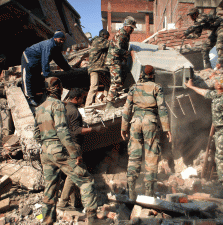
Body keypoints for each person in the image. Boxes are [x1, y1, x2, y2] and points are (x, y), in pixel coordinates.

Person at [34, 78, 100, 225]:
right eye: (61, 86)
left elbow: (36, 135)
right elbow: (63, 132)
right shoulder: (58, 105)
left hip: (45, 152)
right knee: (86, 180)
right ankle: (93, 221)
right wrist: (74, 153)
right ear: (57, 87)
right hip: (59, 151)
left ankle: (47, 221)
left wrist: (47, 145)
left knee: (50, 189)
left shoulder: (39, 108)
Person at [185, 76, 223, 201]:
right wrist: (191, 87)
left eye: (216, 82)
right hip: (220, 132)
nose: (214, 82)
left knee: (221, 160)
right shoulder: (217, 95)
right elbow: (204, 92)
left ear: (220, 86)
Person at [121, 65, 172, 201]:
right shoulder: (157, 88)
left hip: (135, 122)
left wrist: (124, 127)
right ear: (153, 75)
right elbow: (162, 108)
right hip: (151, 122)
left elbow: (127, 109)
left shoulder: (133, 88)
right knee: (151, 155)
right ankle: (149, 194)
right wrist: (167, 128)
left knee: (134, 156)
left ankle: (131, 191)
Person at [58, 88, 104, 210]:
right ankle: (64, 203)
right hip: (74, 146)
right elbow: (76, 130)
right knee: (78, 174)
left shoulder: (66, 108)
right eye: (82, 98)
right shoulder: (74, 112)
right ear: (76, 98)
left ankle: (75, 202)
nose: (83, 100)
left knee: (71, 173)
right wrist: (94, 129)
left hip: (66, 144)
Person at [22, 30, 72, 107]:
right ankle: (30, 98)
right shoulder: (48, 45)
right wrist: (47, 76)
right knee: (28, 77)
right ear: (55, 38)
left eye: (63, 40)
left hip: (37, 60)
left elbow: (60, 59)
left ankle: (36, 97)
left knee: (36, 77)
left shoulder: (56, 47)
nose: (62, 41)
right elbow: (45, 60)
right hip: (28, 57)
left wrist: (68, 69)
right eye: (60, 39)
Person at [105, 16, 137, 111]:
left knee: (121, 80)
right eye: (131, 28)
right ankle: (109, 103)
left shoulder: (126, 35)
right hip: (114, 60)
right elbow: (117, 49)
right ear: (126, 26)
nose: (132, 30)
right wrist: (128, 53)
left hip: (118, 61)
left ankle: (114, 98)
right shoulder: (121, 34)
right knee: (116, 81)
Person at [85, 29, 110, 107]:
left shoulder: (95, 41)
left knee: (108, 83)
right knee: (94, 87)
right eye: (107, 36)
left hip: (100, 68)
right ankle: (87, 106)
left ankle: (105, 101)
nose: (107, 38)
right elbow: (112, 44)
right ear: (103, 35)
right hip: (96, 68)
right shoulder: (100, 40)